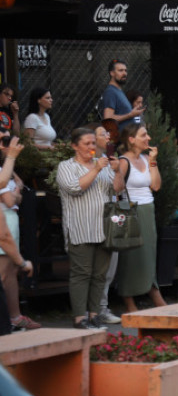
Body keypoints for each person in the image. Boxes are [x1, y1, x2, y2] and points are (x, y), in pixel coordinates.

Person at [56, 128, 115, 329]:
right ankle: (79, 318)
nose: (92, 147)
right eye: (87, 143)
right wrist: (97, 169)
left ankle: (94, 315)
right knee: (81, 273)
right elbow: (74, 188)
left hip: (104, 227)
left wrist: (119, 171)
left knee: (100, 275)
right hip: (80, 228)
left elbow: (117, 190)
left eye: (93, 143)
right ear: (74, 146)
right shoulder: (66, 166)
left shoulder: (103, 165)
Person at [113, 123, 168, 312]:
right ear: (131, 139)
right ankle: (129, 298)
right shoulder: (123, 161)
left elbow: (156, 186)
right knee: (131, 255)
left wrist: (153, 161)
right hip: (130, 210)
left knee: (149, 252)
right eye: (144, 135)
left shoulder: (146, 158)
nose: (148, 138)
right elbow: (117, 189)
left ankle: (152, 290)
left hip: (147, 208)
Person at [0, 135, 38, 330]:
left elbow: (16, 189)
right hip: (4, 224)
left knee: (10, 272)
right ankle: (12, 318)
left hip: (9, 223)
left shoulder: (5, 168)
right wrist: (16, 194)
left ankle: (14, 317)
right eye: (1, 140)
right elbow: (9, 199)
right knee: (6, 273)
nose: (5, 145)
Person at [92, 124, 122, 325]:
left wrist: (118, 171)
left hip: (111, 218)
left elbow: (118, 191)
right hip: (92, 219)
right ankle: (93, 310)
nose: (108, 135)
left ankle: (102, 307)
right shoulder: (87, 163)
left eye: (107, 133)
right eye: (103, 133)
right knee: (94, 267)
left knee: (111, 265)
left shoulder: (111, 162)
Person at [101, 59, 145, 127]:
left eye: (125, 70)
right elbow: (108, 118)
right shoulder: (110, 92)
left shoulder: (119, 91)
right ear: (112, 73)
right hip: (120, 136)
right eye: (120, 70)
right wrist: (130, 115)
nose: (124, 73)